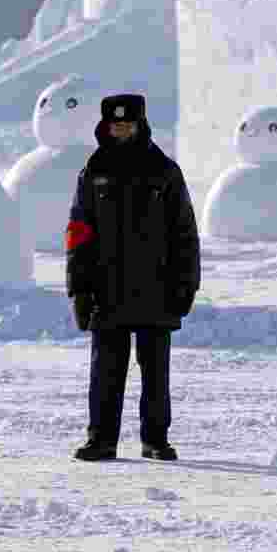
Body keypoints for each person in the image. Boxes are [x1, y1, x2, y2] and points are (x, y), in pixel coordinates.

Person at [65, 93, 200, 462]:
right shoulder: (93, 172)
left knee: (155, 373)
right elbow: (78, 232)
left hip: (157, 287)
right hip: (105, 288)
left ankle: (155, 439)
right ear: (105, 125)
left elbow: (184, 232)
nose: (120, 127)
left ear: (141, 124)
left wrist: (187, 283)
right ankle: (101, 439)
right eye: (115, 122)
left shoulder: (165, 171)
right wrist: (78, 287)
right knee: (105, 371)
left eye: (128, 122)